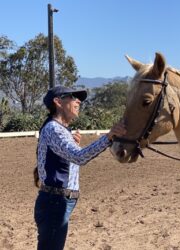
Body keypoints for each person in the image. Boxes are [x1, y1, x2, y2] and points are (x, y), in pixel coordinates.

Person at [33, 85, 126, 250]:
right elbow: (80, 157)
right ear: (58, 102)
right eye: (73, 97)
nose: (78, 101)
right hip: (55, 203)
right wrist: (109, 137)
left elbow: (70, 158)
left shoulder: (57, 129)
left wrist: (74, 144)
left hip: (56, 202)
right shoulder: (54, 129)